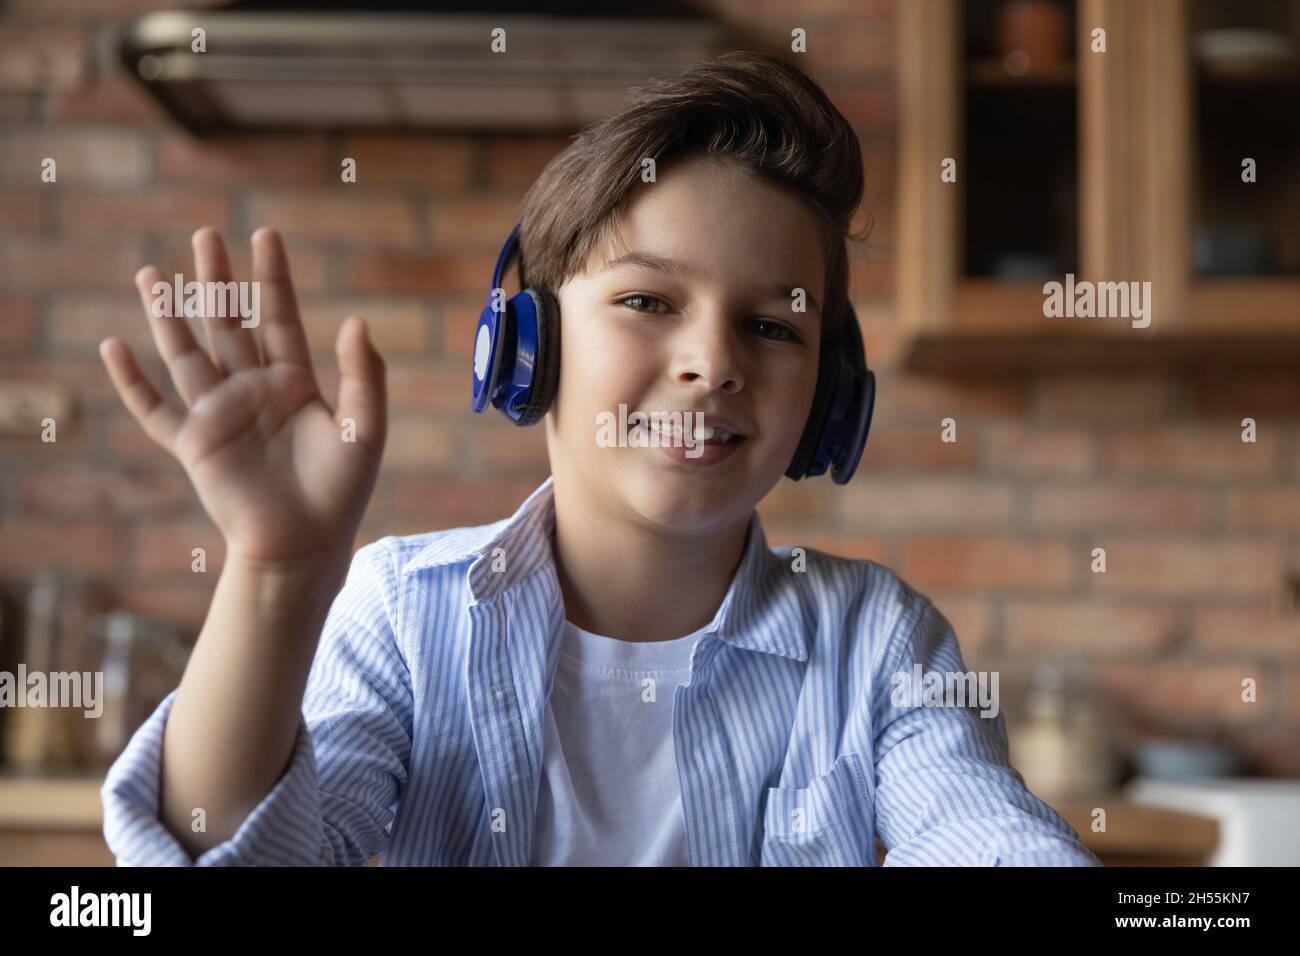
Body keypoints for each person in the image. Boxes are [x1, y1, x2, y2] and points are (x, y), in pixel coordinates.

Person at [98, 51, 1098, 866]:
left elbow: (989, 837)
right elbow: (217, 853)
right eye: (648, 302)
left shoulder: (876, 640)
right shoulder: (403, 612)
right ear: (525, 345)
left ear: (829, 402)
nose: (712, 363)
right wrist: (276, 572)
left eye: (771, 325)